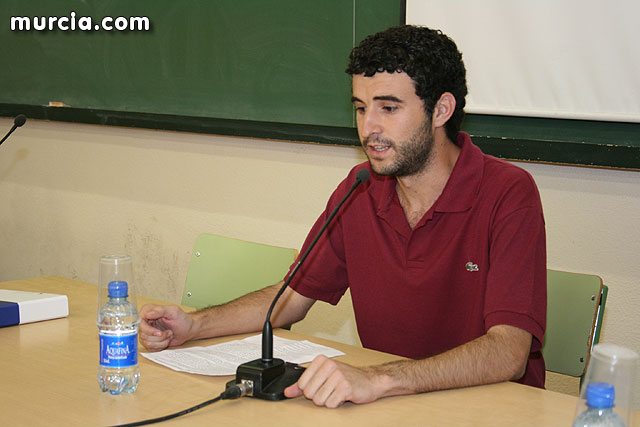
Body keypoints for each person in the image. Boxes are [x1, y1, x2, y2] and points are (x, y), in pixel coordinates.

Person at [140, 25, 546, 409]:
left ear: (441, 110)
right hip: (388, 406)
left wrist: (379, 379)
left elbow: (509, 351)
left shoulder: (508, 193)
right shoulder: (361, 186)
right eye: (360, 108)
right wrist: (193, 326)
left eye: (388, 107)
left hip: (489, 410)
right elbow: (291, 299)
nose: (368, 128)